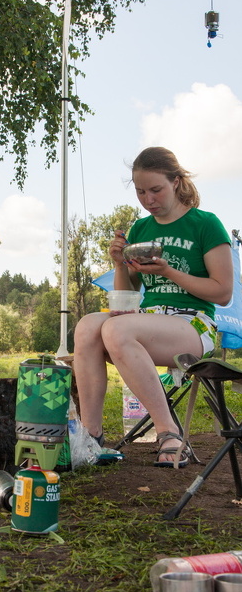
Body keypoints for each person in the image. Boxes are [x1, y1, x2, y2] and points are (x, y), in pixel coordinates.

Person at [73, 146, 233, 468]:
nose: (148, 199)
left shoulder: (205, 224)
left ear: (176, 182)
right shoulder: (141, 229)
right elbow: (127, 294)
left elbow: (223, 292)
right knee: (88, 326)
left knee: (117, 328)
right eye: (140, 191)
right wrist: (120, 263)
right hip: (148, 319)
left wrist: (169, 272)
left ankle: (169, 432)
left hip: (195, 324)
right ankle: (91, 437)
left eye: (156, 189)